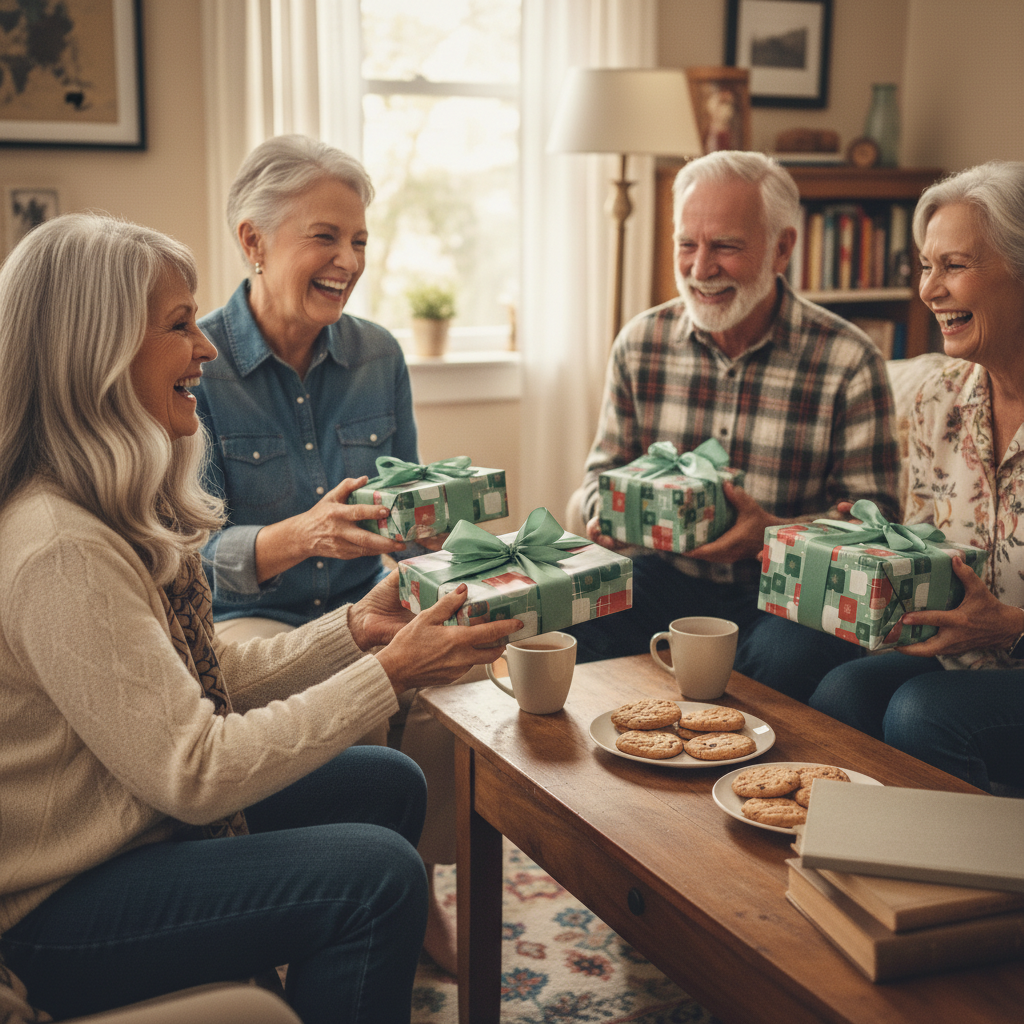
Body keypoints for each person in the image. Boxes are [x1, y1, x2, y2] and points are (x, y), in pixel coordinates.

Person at [0, 213, 520, 1024]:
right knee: (379, 874)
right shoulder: (60, 547)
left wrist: (354, 631)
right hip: (59, 909)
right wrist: (389, 676)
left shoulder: (102, 507)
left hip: (134, 828)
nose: (204, 349)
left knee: (388, 784)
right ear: (97, 357)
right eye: (179, 326)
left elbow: (201, 682)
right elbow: (197, 770)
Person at [194, 135, 460, 973]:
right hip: (246, 619)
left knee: (463, 680)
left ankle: (413, 875)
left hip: (370, 596)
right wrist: (292, 537)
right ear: (253, 241)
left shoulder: (378, 353)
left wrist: (429, 528)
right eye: (326, 236)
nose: (349, 260)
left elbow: (413, 503)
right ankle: (318, 889)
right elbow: (181, 559)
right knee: (337, 695)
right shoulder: (195, 366)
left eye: (360, 241)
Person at [570, 150, 901, 701]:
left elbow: (880, 526)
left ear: (782, 248)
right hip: (661, 577)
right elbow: (600, 478)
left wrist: (769, 538)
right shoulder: (641, 343)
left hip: (789, 595)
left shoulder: (848, 360)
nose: (700, 269)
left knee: (779, 663)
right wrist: (610, 515)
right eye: (687, 244)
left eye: (724, 246)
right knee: (571, 622)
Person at [809, 162, 1024, 792]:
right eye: (926, 267)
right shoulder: (940, 398)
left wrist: (1012, 624)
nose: (931, 290)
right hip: (966, 652)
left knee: (921, 714)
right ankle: (860, 864)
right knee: (841, 692)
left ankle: (977, 888)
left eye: (954, 265)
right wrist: (871, 550)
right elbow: (929, 547)